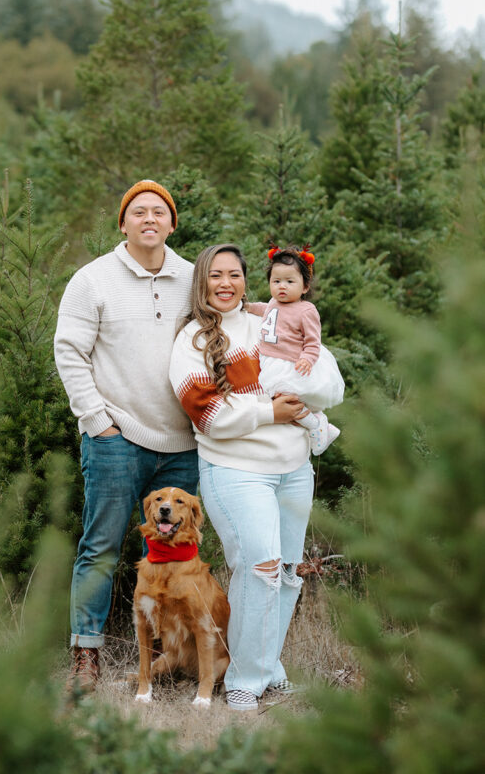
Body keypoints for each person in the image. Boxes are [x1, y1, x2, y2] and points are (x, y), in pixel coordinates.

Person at [54, 180, 198, 689]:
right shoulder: (92, 280)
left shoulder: (192, 278)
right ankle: (86, 654)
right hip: (117, 437)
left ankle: (173, 654)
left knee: (179, 552)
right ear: (123, 223)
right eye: (138, 212)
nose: (149, 219)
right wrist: (98, 422)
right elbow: (69, 351)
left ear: (172, 223)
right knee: (102, 546)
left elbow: (230, 323)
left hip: (184, 445)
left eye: (160, 212)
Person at [169, 243, 316, 711]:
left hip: (294, 468)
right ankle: (242, 680)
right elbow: (206, 413)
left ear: (246, 280)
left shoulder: (267, 323)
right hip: (235, 470)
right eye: (216, 275)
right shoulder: (192, 340)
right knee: (260, 567)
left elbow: (308, 374)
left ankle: (269, 669)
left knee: (287, 572)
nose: (226, 283)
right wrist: (269, 412)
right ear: (202, 282)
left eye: (234, 274)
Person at [246, 245, 344, 455]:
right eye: (276, 281)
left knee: (286, 398)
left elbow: (312, 341)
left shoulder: (305, 310)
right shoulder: (274, 302)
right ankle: (320, 425)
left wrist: (307, 359)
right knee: (278, 400)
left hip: (291, 363)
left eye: (290, 282)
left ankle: (316, 423)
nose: (282, 287)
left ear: (305, 286)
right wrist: (250, 307)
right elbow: (267, 310)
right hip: (272, 360)